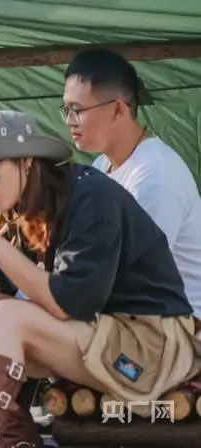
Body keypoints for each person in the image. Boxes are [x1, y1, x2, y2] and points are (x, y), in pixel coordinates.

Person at [0, 111, 200, 447]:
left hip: (149, 352)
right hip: (98, 339)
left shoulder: (90, 197)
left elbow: (68, 303)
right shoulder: (27, 206)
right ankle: (16, 442)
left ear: (27, 161)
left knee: (10, 316)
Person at [62, 48, 201, 317]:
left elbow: (129, 276)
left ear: (117, 109)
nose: (69, 121)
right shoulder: (102, 166)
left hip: (180, 324)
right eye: (66, 109)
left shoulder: (155, 177)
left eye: (77, 110)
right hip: (137, 311)